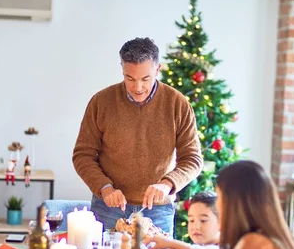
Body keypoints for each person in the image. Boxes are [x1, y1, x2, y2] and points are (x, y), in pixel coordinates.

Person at [72, 37, 203, 235]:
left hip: (157, 209)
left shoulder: (178, 104)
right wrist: (104, 187)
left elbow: (192, 159)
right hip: (108, 207)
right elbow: (82, 155)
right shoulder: (101, 102)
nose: (138, 87)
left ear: (158, 69)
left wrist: (167, 184)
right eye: (130, 78)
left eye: (145, 79)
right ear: (122, 70)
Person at [144, 191, 219, 249]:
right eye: (191, 220)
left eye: (203, 220)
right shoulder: (200, 248)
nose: (196, 226)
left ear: (221, 221)